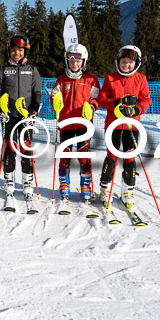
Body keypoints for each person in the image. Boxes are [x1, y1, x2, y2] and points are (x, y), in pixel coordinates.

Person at [96, 45, 152, 211]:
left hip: (132, 125)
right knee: (112, 156)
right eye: (123, 62)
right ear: (118, 62)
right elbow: (102, 99)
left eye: (130, 62)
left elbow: (146, 100)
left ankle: (128, 191)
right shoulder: (110, 78)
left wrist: (135, 109)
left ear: (136, 63)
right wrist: (116, 104)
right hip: (113, 125)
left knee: (129, 157)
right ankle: (105, 189)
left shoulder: (141, 79)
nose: (126, 65)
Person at [50, 42, 101, 204]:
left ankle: (86, 186)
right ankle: (64, 184)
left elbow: (97, 98)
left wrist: (92, 106)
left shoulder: (90, 79)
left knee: (83, 158)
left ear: (83, 62)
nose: (74, 63)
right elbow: (54, 98)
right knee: (64, 156)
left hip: (84, 126)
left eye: (78, 61)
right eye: (71, 60)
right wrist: (55, 103)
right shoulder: (61, 80)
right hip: (65, 125)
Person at [0, 35, 42, 201]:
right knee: (9, 148)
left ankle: (27, 183)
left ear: (25, 51)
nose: (16, 53)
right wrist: (0, 110)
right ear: (9, 51)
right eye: (14, 50)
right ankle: (9, 181)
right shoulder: (3, 70)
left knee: (26, 149)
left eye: (20, 50)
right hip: (9, 116)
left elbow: (37, 92)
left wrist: (34, 109)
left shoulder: (32, 70)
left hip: (26, 116)